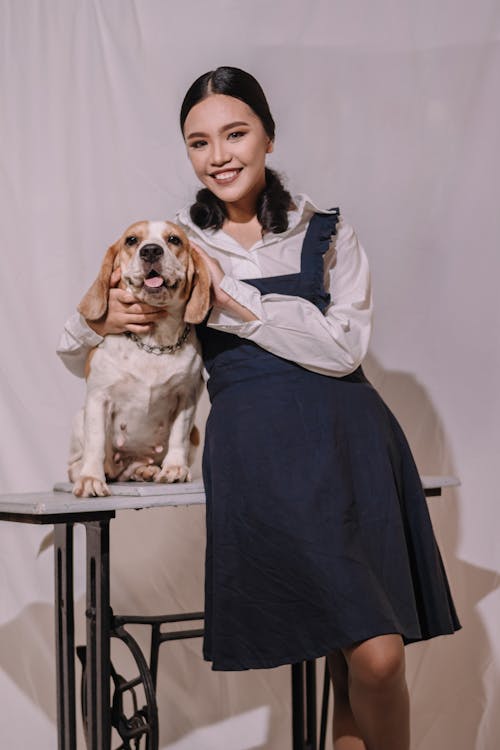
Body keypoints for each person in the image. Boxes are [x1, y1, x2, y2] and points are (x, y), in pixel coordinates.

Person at [58, 66, 461, 750]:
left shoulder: (326, 228)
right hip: (260, 455)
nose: (219, 155)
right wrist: (103, 318)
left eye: (236, 133)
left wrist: (231, 306)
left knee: (362, 657)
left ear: (268, 137)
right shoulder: (174, 243)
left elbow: (342, 350)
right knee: (366, 650)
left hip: (354, 442)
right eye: (198, 142)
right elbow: (79, 348)